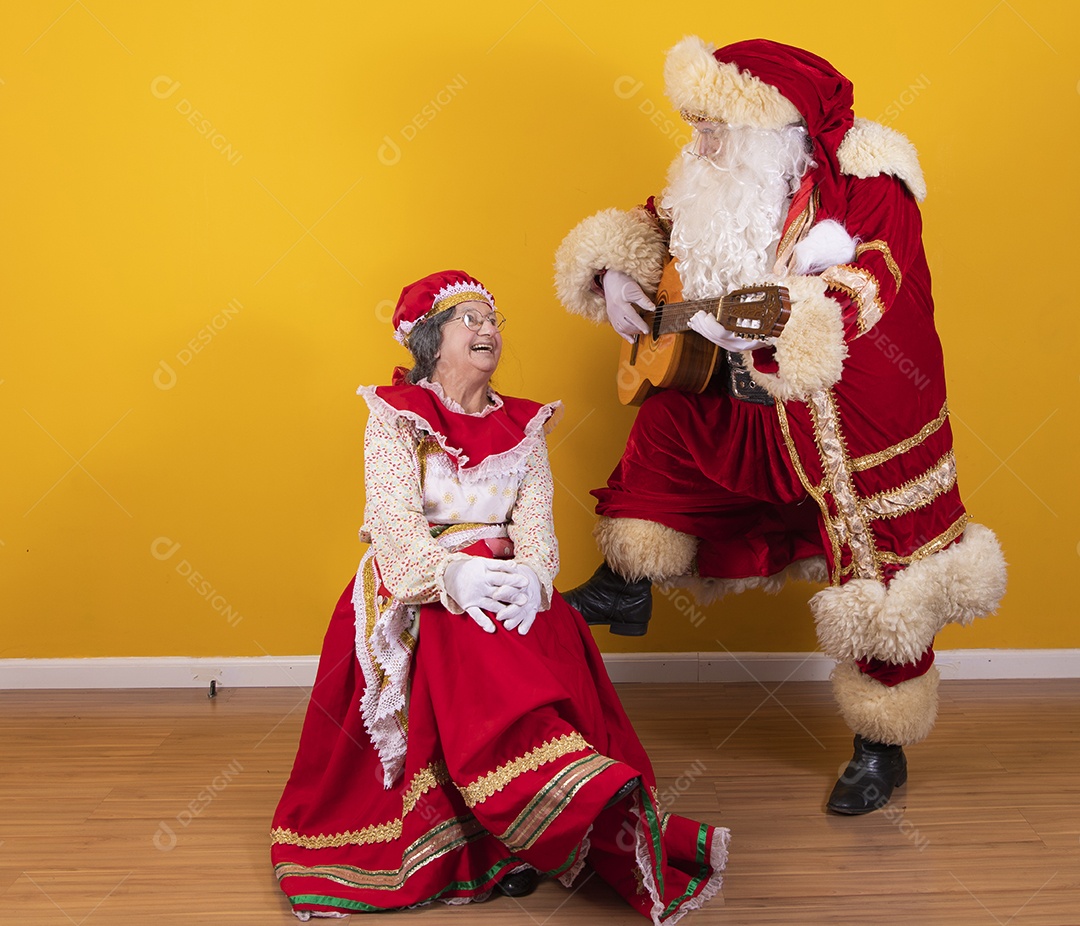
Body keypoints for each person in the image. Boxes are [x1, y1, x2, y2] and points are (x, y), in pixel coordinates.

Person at [553, 38, 1007, 815]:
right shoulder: (722, 174)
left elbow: (876, 283)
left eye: (713, 129)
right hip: (746, 401)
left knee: (879, 566)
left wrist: (793, 317)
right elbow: (660, 219)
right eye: (694, 126)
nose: (699, 145)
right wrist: (615, 271)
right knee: (670, 428)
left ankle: (880, 746)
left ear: (778, 129)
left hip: (847, 413)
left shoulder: (871, 182)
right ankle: (627, 584)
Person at [270, 270, 728, 921]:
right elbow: (396, 527)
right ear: (430, 341)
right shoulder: (395, 422)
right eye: (471, 320)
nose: (489, 330)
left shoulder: (524, 425)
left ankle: (529, 827)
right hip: (422, 582)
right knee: (462, 630)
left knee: (542, 621)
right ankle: (511, 813)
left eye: (494, 320)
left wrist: (536, 576)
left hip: (506, 580)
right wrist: (453, 577)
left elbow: (535, 524)